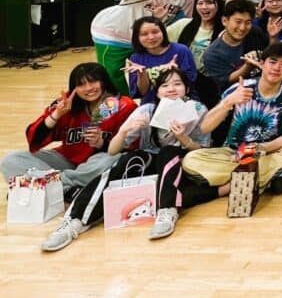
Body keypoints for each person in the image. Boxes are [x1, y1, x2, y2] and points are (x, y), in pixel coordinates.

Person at [41, 69, 210, 251]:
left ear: (186, 88)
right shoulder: (147, 110)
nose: (171, 89)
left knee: (168, 151)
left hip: (180, 164)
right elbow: (112, 151)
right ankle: (75, 221)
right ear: (157, 91)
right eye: (164, 85)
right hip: (149, 163)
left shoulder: (197, 109)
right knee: (128, 159)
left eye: (177, 84)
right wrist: (123, 131)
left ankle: (167, 210)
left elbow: (203, 151)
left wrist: (184, 139)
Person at [182, 43, 282, 208]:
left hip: (266, 153)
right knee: (190, 161)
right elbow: (205, 127)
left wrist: (263, 148)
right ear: (262, 64)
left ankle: (237, 182)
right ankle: (263, 180)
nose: (276, 68)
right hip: (233, 154)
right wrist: (228, 102)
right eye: (272, 62)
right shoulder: (241, 87)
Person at [1, 63, 136, 195]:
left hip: (95, 164)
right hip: (67, 159)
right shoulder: (66, 104)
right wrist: (56, 115)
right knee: (11, 160)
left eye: (93, 82)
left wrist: (101, 143)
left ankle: (46, 186)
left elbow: (133, 148)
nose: (88, 88)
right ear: (74, 88)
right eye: (81, 84)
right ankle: (66, 189)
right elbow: (35, 139)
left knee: (111, 161)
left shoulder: (124, 105)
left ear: (104, 82)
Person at [89, 0, 196, 94]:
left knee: (148, 71)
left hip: (144, 37)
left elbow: (182, 21)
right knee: (112, 75)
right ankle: (117, 104)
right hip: (113, 31)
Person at [200, 0, 269, 93]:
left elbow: (271, 53)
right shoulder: (212, 54)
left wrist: (273, 36)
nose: (242, 28)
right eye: (238, 21)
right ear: (225, 21)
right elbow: (227, 81)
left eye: (248, 22)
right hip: (236, 94)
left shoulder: (255, 33)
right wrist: (248, 66)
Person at [124, 16, 197, 102]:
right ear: (137, 37)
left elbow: (190, 83)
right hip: (152, 103)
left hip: (182, 100)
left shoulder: (181, 50)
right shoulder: (136, 58)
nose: (151, 37)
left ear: (163, 32)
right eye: (144, 34)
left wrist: (174, 71)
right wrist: (142, 74)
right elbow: (143, 92)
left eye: (155, 32)